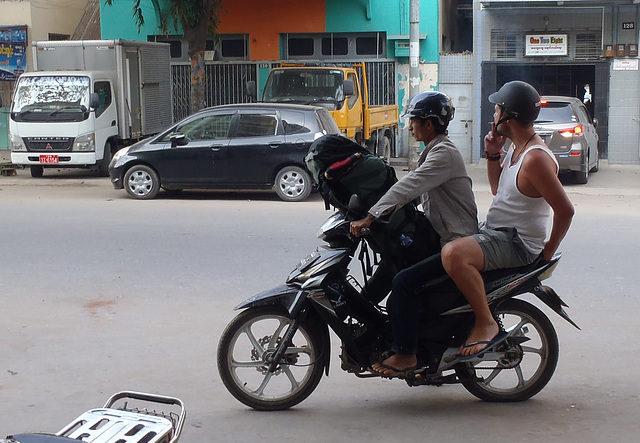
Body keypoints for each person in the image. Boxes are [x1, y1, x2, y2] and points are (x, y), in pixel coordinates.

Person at [441, 81, 575, 358]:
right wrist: (492, 153)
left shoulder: (534, 158)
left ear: (508, 118)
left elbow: (565, 210)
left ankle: (486, 322)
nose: (493, 115)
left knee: (453, 254)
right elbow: (497, 189)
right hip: (497, 233)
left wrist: (547, 251)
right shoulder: (516, 149)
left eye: (496, 109)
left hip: (516, 243)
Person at [349, 91, 478, 376]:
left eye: (414, 121)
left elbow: (410, 186)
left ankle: (407, 354)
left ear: (429, 124)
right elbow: (415, 197)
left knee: (403, 282)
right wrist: (381, 216)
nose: (409, 126)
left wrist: (372, 216)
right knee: (393, 259)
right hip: (441, 239)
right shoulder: (434, 151)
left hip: (457, 244)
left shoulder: (443, 154)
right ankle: (373, 329)